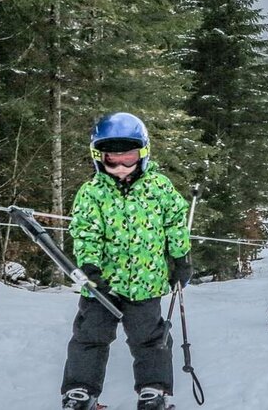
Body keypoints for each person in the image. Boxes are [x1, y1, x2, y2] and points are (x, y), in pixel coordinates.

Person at [61, 112, 191, 410]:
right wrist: (90, 268)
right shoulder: (92, 192)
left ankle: (153, 390)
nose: (120, 166)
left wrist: (180, 257)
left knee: (150, 339)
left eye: (128, 158)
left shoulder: (159, 187)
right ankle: (81, 389)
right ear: (98, 157)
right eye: (111, 159)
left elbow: (175, 223)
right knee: (89, 336)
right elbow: (85, 233)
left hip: (146, 284)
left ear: (143, 154)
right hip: (100, 285)